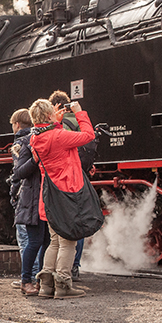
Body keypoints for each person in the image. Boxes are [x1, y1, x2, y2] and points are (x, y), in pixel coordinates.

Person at [29, 98, 95, 298]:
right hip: (67, 194)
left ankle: (47, 286)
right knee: (68, 242)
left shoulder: (35, 139)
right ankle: (64, 285)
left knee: (55, 241)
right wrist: (79, 112)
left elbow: (48, 134)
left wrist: (54, 122)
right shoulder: (59, 136)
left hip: (49, 196)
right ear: (49, 115)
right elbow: (88, 135)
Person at [48, 90, 90, 282]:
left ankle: (53, 279)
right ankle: (71, 270)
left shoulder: (49, 133)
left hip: (59, 185)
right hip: (77, 178)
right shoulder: (75, 122)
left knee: (57, 239)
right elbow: (89, 137)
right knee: (74, 229)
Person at [8, 109, 48, 296]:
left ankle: (40, 279)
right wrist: (35, 160)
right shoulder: (25, 143)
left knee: (46, 241)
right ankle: (26, 280)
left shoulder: (44, 138)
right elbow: (18, 172)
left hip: (45, 196)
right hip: (32, 198)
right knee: (34, 241)